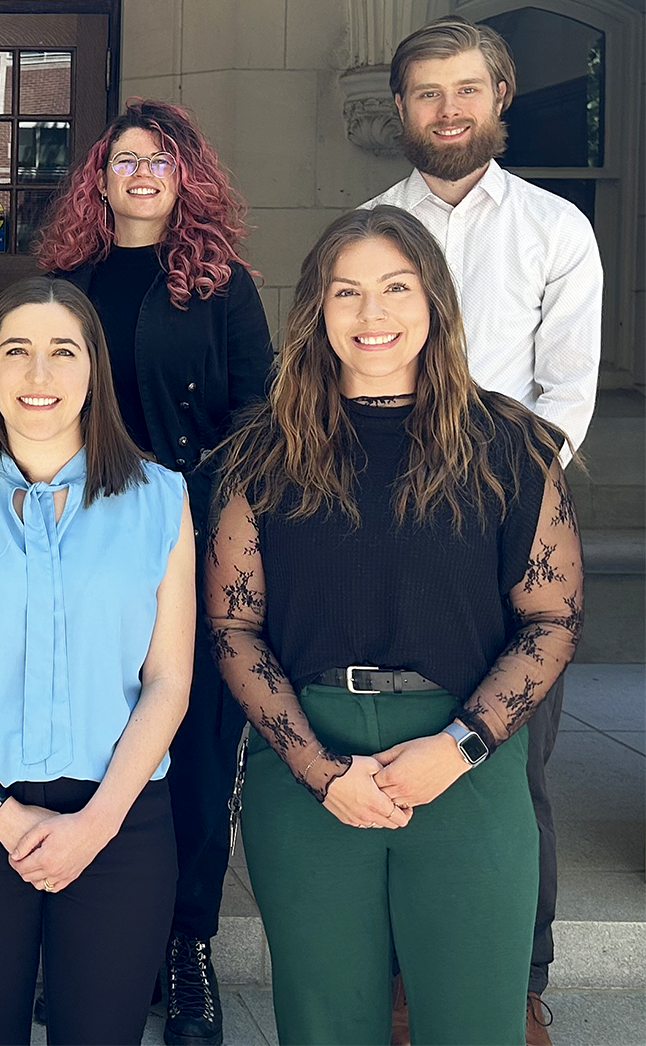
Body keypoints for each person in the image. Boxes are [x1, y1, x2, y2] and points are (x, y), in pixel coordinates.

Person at [205, 206, 581, 1046]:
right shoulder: (261, 453)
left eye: (395, 288)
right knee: (324, 1022)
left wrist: (460, 747)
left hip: (467, 763)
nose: (372, 315)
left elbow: (551, 617)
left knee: (474, 1023)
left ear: (434, 302)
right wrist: (318, 768)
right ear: (316, 312)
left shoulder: (512, 446)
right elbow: (233, 626)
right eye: (347, 293)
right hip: (307, 765)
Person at [364, 16, 603, 1046]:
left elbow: (567, 393)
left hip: (511, 528)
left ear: (499, 96)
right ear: (403, 110)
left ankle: (520, 977)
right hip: (382, 529)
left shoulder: (554, 230)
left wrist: (488, 493)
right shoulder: (369, 223)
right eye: (426, 93)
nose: (447, 110)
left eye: (465, 90)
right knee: (393, 735)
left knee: (512, 757)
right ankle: (407, 975)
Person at [0, 278, 195, 1046]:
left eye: (63, 352)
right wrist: (1, 812)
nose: (39, 376)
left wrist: (95, 824)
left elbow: (170, 681)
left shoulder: (162, 498)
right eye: (16, 351)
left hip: (119, 819)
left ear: (93, 370)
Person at [37, 97, 273, 1046]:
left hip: (196, 535)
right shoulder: (67, 280)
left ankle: (188, 949)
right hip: (84, 541)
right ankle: (99, 941)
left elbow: (259, 419)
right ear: (99, 176)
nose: (142, 173)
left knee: (200, 754)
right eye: (126, 159)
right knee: (89, 737)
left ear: (187, 177)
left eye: (161, 160)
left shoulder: (223, 284)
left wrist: (209, 520)